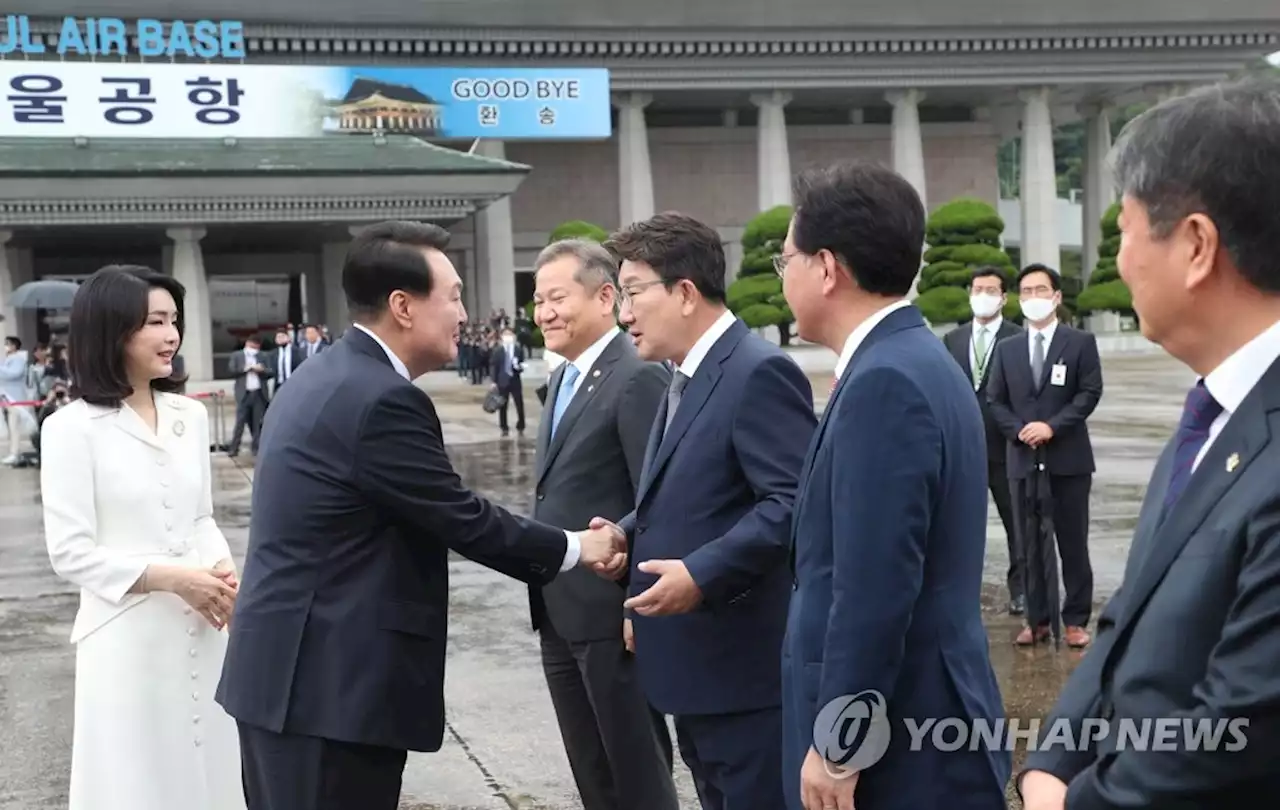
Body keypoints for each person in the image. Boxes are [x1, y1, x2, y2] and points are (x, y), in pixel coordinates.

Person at [215, 220, 627, 810]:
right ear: (403, 306)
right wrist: (576, 549)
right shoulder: (383, 398)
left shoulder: (326, 374)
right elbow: (460, 515)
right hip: (327, 691)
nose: (464, 313)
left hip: (290, 681)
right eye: (454, 295)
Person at [1019, 78, 1280, 810]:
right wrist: (1051, 758)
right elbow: (1127, 618)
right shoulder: (1215, 412)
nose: (1122, 260)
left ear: (1196, 245)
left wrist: (1075, 804)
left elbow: (1242, 728)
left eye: (1125, 230)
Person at [778, 162, 1009, 810]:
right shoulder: (913, 359)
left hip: (902, 743)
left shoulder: (887, 383)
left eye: (786, 259)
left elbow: (874, 585)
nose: (783, 275)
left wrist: (839, 743)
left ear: (827, 268)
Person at [591, 211, 817, 810]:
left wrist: (703, 573)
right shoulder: (681, 377)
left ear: (685, 292)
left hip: (743, 674)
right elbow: (691, 492)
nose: (624, 314)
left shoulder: (757, 372)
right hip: (696, 672)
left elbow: (793, 502)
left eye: (634, 293)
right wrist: (626, 532)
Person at [41, 265, 243, 810]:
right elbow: (70, 551)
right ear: (113, 330)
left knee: (210, 766)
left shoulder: (190, 415)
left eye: (174, 321)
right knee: (136, 777)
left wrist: (222, 575)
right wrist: (171, 578)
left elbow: (201, 517)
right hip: (126, 635)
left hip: (201, 623)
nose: (171, 335)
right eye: (155, 322)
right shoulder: (70, 428)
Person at [527, 239, 678, 810]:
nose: (545, 312)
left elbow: (658, 497)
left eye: (557, 298)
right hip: (559, 609)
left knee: (635, 770)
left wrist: (640, 599)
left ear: (606, 296)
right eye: (538, 300)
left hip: (612, 615)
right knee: (591, 770)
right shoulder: (564, 378)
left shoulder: (635, 376)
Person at [986, 263, 1103, 648]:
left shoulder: (1079, 343)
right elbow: (994, 399)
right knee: (1028, 543)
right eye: (1027, 291)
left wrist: (1052, 426)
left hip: (1067, 460)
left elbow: (1089, 393)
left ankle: (1074, 620)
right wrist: (1019, 430)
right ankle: (1035, 619)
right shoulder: (1007, 349)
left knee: (1072, 540)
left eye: (1041, 290)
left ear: (1056, 296)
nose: (1033, 298)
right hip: (1021, 458)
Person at [943, 267, 1026, 614]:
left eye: (991, 290)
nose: (983, 295)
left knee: (1017, 524)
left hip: (1007, 446)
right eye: (978, 288)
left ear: (1004, 298)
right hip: (965, 448)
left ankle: (1021, 590)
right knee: (958, 524)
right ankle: (956, 590)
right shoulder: (953, 340)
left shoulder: (1017, 337)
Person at [490, 325, 527, 436]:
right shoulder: (498, 351)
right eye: (506, 334)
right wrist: (493, 381)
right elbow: (494, 366)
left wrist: (519, 367)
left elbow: (522, 364)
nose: (508, 337)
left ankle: (521, 424)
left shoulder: (518, 349)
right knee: (503, 405)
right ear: (501, 337)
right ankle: (503, 425)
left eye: (510, 334)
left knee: (519, 403)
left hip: (515, 380)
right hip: (502, 381)